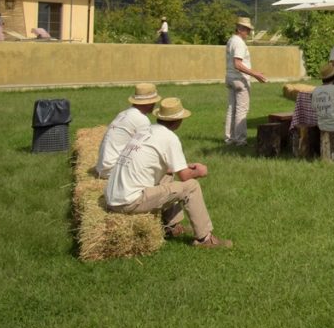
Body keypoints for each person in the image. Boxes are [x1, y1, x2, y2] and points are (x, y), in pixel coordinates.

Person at [105, 97, 231, 248]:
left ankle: (171, 226)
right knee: (192, 186)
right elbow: (184, 176)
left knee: (167, 175)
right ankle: (204, 238)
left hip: (114, 197)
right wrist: (200, 171)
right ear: (178, 121)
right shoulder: (169, 137)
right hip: (128, 202)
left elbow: (167, 167)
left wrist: (184, 166)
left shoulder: (146, 131)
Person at [95, 83, 161, 178]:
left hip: (103, 167)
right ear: (149, 103)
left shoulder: (123, 113)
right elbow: (147, 150)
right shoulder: (141, 119)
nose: (155, 105)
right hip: (113, 170)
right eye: (154, 102)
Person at [224, 17, 267, 147]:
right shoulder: (239, 43)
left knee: (231, 109)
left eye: (248, 30)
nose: (247, 32)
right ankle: (240, 140)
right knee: (241, 110)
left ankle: (229, 138)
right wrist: (256, 74)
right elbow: (238, 64)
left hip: (230, 77)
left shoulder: (231, 40)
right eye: (246, 29)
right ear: (239, 29)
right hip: (239, 79)